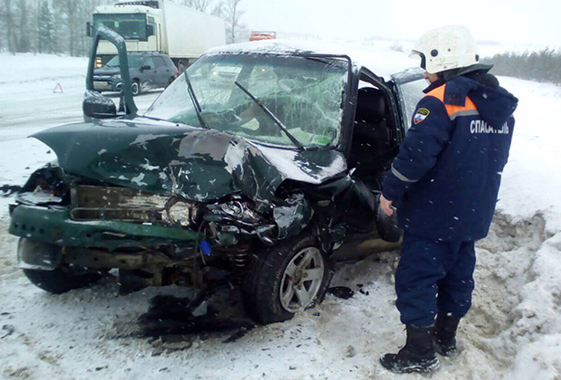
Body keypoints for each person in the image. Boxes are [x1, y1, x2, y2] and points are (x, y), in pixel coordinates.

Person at [378, 25, 518, 374]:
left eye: (426, 60)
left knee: (417, 279)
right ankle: (445, 337)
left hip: (434, 214)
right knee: (458, 277)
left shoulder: (440, 101)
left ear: (443, 58)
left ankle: (419, 353)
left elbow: (415, 158)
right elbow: (493, 160)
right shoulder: (498, 104)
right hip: (471, 214)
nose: (424, 69)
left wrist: (390, 191)